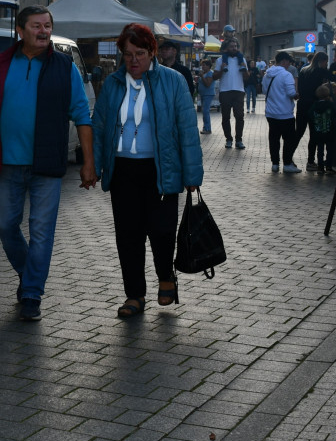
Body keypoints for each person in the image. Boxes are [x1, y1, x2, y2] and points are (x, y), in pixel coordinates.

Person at [0, 5, 96, 322]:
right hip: (7, 164)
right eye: (37, 26)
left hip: (47, 165)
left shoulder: (65, 67)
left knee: (42, 233)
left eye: (48, 25)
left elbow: (82, 116)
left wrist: (89, 161)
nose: (43, 31)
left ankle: (31, 294)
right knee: (5, 225)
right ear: (20, 31)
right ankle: (30, 277)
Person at [92, 23, 203, 317]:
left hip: (161, 170)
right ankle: (134, 295)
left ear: (152, 52)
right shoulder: (113, 83)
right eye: (127, 54)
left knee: (162, 231)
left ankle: (166, 277)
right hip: (123, 170)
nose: (134, 60)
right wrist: (92, 165)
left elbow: (187, 131)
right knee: (128, 235)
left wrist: (192, 176)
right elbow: (100, 125)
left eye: (140, 53)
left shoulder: (173, 81)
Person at [295, 52, 336, 171]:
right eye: (326, 62)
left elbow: (300, 87)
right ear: (322, 61)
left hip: (302, 104)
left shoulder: (304, 70)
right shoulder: (320, 70)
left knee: (299, 132)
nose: (326, 64)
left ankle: (288, 158)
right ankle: (310, 161)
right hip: (314, 106)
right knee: (314, 134)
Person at [264, 51, 302, 173]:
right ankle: (287, 163)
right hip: (285, 113)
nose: (289, 65)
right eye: (289, 62)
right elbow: (291, 93)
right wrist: (296, 95)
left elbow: (265, 91)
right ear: (284, 61)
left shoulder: (267, 74)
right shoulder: (286, 75)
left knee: (273, 138)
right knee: (289, 139)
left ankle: (275, 164)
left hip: (271, 112)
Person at [212, 37, 248, 149]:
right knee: (226, 117)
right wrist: (222, 69)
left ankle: (239, 140)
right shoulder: (220, 60)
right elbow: (214, 76)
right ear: (226, 48)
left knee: (240, 117)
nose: (234, 48)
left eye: (236, 46)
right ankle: (228, 139)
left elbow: (246, 78)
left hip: (239, 91)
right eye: (232, 46)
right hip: (225, 91)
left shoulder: (242, 60)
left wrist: (245, 68)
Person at [308, 84, 336, 174]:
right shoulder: (330, 105)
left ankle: (320, 167)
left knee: (320, 149)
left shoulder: (315, 105)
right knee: (330, 149)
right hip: (329, 130)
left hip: (318, 131)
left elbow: (310, 114)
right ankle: (328, 167)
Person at [197, 58, 215, 134]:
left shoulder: (210, 73)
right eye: (202, 65)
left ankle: (207, 128)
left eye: (204, 65)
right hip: (203, 94)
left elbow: (208, 84)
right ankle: (205, 127)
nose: (202, 67)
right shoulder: (204, 73)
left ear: (208, 66)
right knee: (204, 111)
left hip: (208, 94)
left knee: (205, 111)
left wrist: (202, 77)